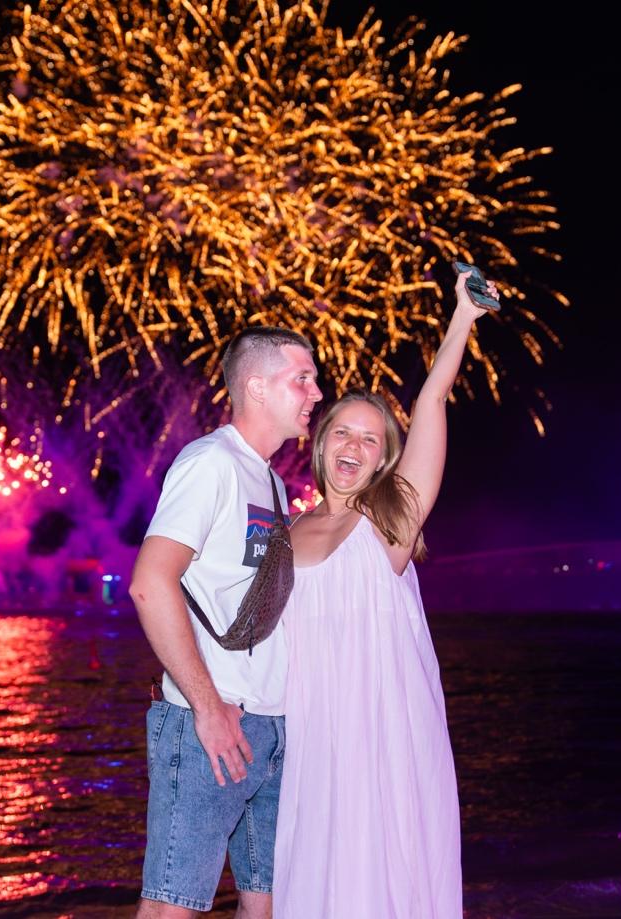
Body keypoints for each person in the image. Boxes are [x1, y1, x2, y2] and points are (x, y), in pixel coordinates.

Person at [273, 269, 494, 917]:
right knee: (313, 880)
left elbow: (431, 402)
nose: (355, 444)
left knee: (382, 877)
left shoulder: (390, 522)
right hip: (308, 740)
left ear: (383, 460)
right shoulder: (284, 531)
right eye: (343, 431)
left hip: (383, 738)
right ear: (320, 443)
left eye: (371, 439)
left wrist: (462, 318)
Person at [130, 327, 323, 917]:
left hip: (272, 725)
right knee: (173, 907)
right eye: (302, 379)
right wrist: (207, 707)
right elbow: (150, 582)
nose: (316, 393)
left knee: (267, 906)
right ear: (257, 387)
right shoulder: (210, 462)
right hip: (213, 724)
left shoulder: (271, 481)